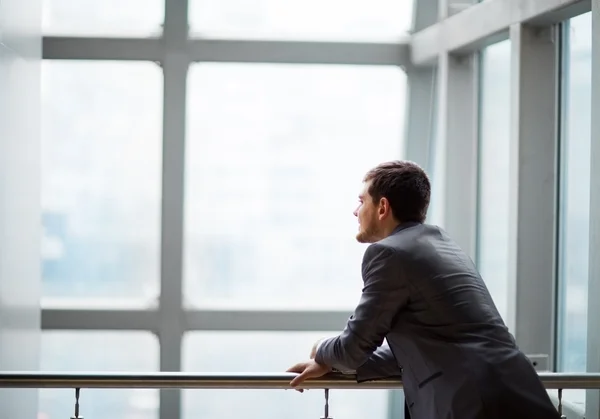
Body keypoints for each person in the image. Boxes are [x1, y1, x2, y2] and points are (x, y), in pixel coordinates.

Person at [286, 160, 560, 419]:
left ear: (382, 207)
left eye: (361, 201)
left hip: (473, 405)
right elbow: (422, 348)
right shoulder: (443, 245)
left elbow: (353, 348)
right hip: (518, 393)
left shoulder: (387, 254)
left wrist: (320, 350)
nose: (355, 211)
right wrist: (331, 364)